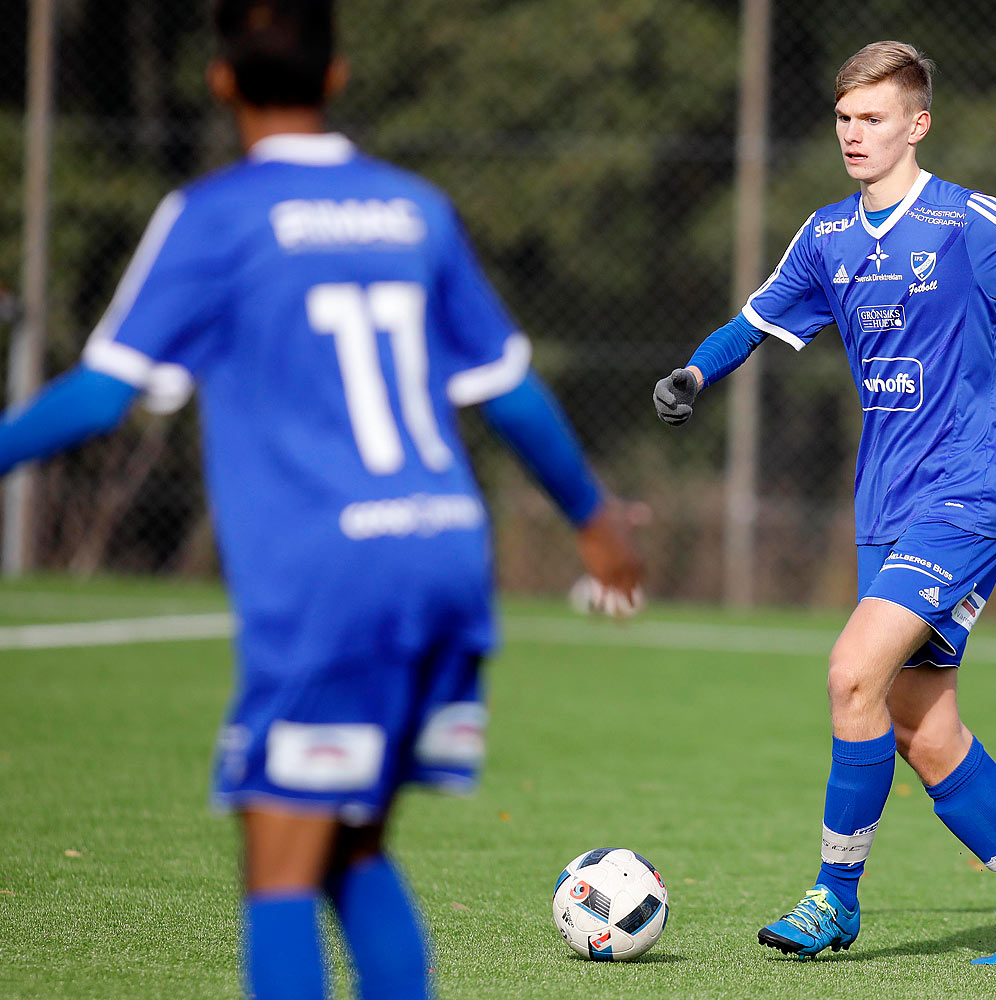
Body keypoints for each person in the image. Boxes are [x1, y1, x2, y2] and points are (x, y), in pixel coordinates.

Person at [0, 1, 642, 997]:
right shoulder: (413, 208)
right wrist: (595, 520)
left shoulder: (214, 214)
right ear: (337, 75)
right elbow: (510, 394)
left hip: (330, 572)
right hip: (441, 554)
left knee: (280, 868)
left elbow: (101, 393)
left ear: (219, 79)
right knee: (351, 849)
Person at [654, 41, 996, 965]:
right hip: (884, 509)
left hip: (966, 497)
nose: (853, 133)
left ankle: (834, 897)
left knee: (851, 673)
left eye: (872, 118)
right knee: (922, 727)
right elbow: (755, 320)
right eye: (844, 118)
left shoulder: (966, 224)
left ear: (917, 124)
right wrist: (693, 372)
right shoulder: (828, 236)